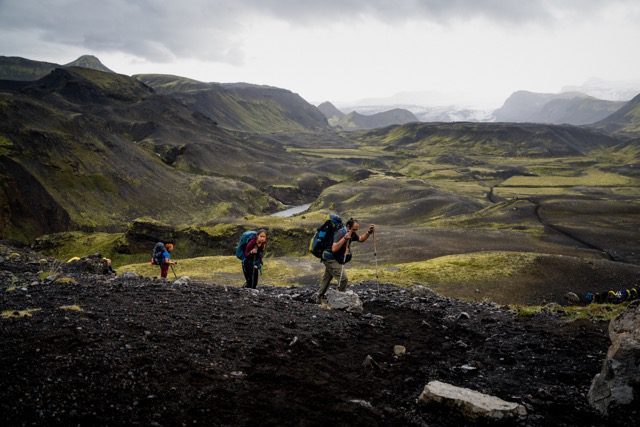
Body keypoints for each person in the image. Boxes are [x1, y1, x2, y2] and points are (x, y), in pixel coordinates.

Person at [318, 218, 374, 303]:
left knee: (327, 277)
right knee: (343, 279)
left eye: (356, 230)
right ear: (348, 226)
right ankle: (338, 300)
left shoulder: (351, 232)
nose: (355, 231)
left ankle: (319, 297)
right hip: (329, 257)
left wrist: (368, 233)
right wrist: (344, 238)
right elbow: (334, 249)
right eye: (354, 229)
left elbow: (361, 239)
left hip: (334, 257)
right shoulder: (341, 233)